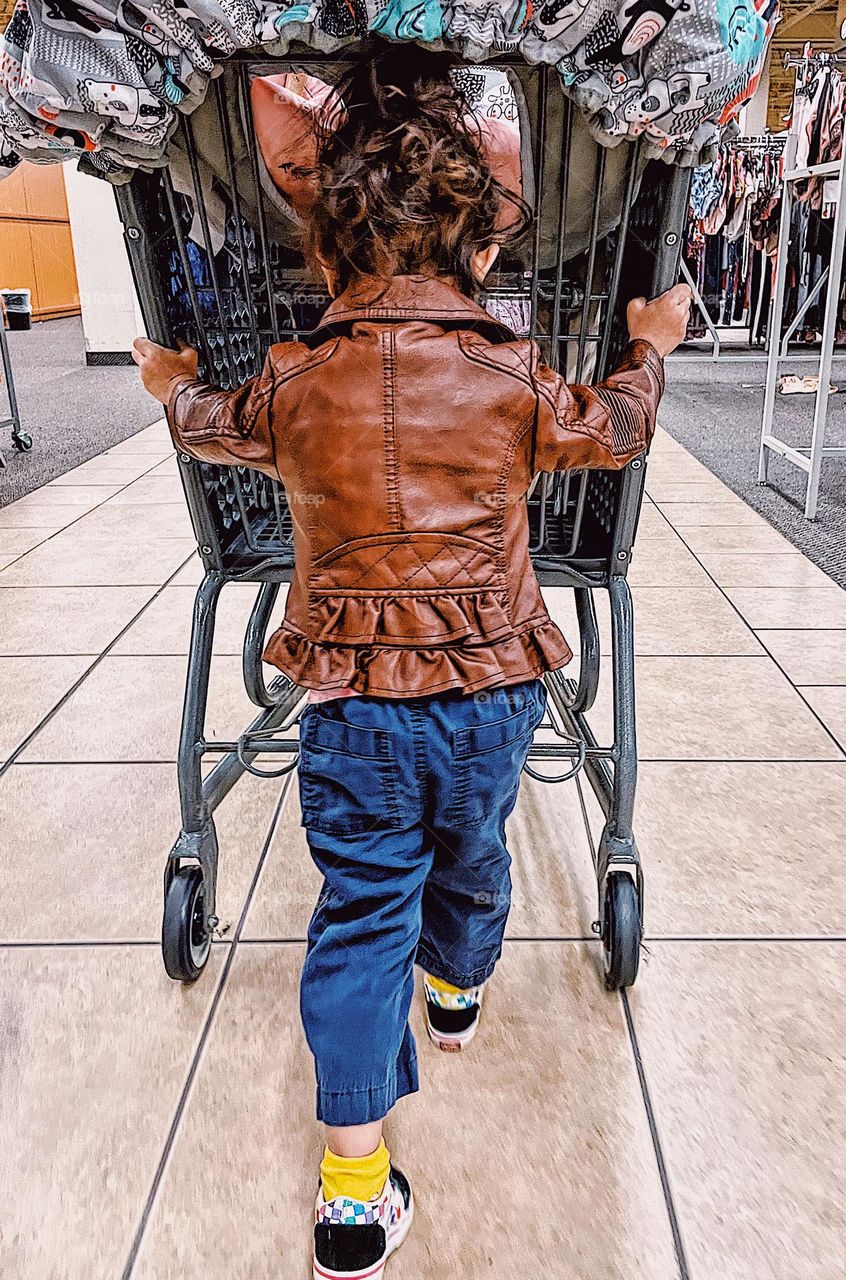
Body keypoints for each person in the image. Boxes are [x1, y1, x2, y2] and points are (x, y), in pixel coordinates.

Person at [133, 41, 691, 1280]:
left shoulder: (293, 381)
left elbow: (211, 429)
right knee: (475, 858)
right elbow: (613, 428)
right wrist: (649, 342)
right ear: (482, 255)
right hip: (492, 696)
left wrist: (172, 381)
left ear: (326, 255)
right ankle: (457, 988)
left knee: (357, 914)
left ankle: (349, 1197)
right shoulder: (509, 375)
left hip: (348, 712)